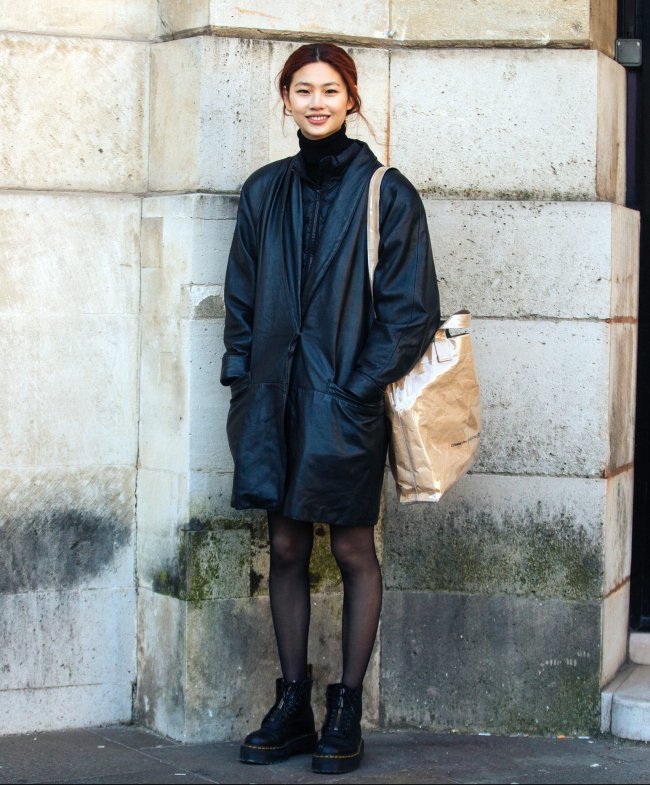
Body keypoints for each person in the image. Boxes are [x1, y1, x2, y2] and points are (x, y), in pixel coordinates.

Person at [220, 42, 440, 775]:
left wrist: (353, 386)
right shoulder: (262, 191)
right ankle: (293, 704)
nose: (317, 102)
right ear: (284, 99)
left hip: (345, 403)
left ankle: (345, 706)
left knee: (350, 549)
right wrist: (243, 378)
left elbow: (411, 313)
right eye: (303, 89)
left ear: (352, 99)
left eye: (331, 89)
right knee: (284, 545)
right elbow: (243, 300)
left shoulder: (387, 191)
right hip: (273, 400)